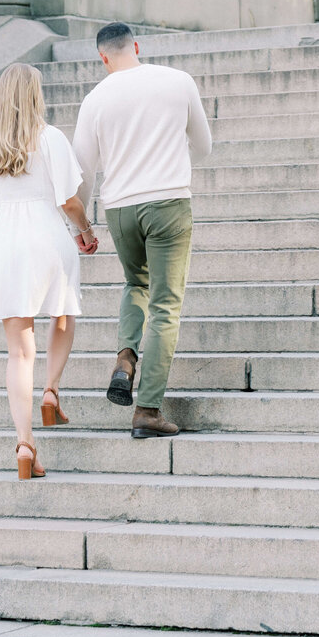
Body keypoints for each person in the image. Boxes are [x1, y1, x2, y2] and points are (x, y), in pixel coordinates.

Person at [72, 22, 212, 439]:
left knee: (137, 284)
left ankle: (125, 359)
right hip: (168, 201)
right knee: (166, 305)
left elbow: (82, 172)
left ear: (103, 58)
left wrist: (79, 225)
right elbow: (203, 147)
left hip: (119, 210)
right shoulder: (177, 81)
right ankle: (148, 410)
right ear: (136, 46)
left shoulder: (94, 99)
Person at [0, 62, 98, 479]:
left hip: (7, 244)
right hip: (50, 239)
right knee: (63, 314)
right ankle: (52, 389)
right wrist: (86, 230)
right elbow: (69, 201)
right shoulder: (51, 138)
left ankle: (25, 443)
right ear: (34, 96)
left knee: (19, 352)